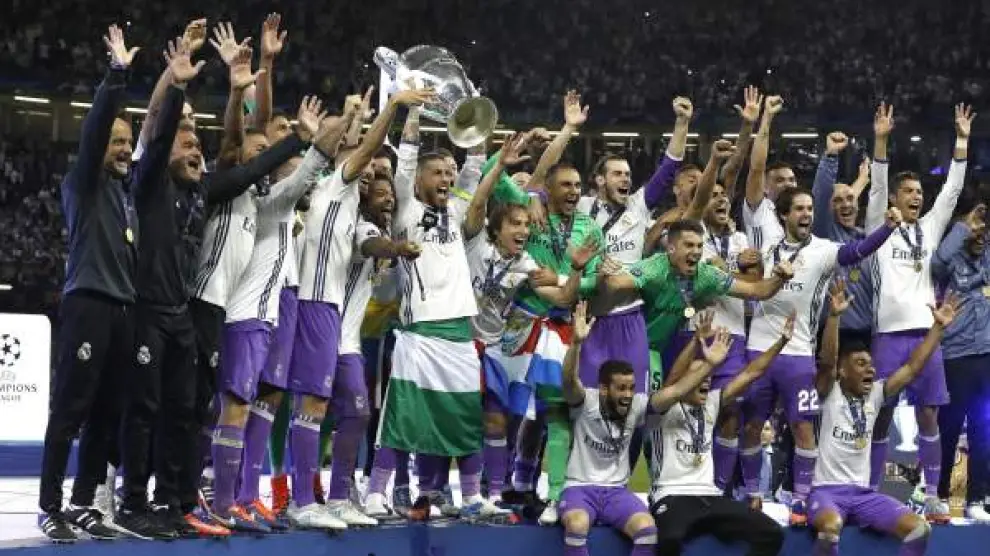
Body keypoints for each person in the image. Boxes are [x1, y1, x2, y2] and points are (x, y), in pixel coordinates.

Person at [284, 86, 430, 530]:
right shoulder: (334, 186)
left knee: (359, 410)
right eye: (363, 167)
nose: (368, 172)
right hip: (315, 304)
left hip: (339, 324)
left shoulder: (353, 208)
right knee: (311, 406)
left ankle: (340, 497)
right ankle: (300, 500)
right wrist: (393, 106)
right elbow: (372, 241)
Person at [37, 24, 140, 542]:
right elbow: (97, 126)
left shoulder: (125, 195)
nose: (123, 149)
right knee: (71, 410)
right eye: (116, 142)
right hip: (88, 304)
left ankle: (83, 502)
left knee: (106, 412)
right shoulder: (83, 184)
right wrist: (116, 75)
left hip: (121, 311)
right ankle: (49, 505)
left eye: (128, 143)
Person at [866, 103, 974, 523]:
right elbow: (877, 185)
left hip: (927, 335)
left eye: (918, 192)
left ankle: (931, 494)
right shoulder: (879, 227)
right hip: (888, 335)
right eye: (909, 192)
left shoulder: (928, 229)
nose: (917, 197)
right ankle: (871, 490)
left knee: (930, 413)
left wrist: (961, 141)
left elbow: (951, 191)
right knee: (880, 414)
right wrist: (880, 140)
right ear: (895, 198)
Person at [559, 302, 735, 556]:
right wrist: (576, 344)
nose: (628, 394)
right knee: (577, 524)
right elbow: (568, 380)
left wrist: (709, 365)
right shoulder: (586, 402)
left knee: (647, 530)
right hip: (579, 488)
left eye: (631, 388)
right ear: (604, 389)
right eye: (621, 388)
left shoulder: (637, 406)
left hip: (616, 492)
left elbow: (676, 390)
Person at [809, 280, 960, 556]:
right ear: (842, 371)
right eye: (860, 364)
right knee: (830, 528)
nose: (870, 369)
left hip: (864, 496)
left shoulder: (876, 394)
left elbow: (912, 367)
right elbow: (828, 361)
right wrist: (833, 317)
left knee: (920, 529)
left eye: (871, 364)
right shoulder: (829, 392)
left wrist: (937, 328)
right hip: (826, 493)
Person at [648, 311, 793, 556]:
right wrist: (698, 344)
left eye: (709, 377)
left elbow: (751, 373)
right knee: (670, 540)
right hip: (671, 495)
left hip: (709, 496)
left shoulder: (712, 403)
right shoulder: (663, 407)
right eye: (700, 377)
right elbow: (673, 383)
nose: (707, 381)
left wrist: (782, 342)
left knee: (771, 533)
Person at [931, 203, 990, 522]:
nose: (980, 237)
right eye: (975, 233)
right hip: (956, 355)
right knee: (949, 427)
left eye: (984, 233)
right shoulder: (951, 259)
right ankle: (938, 494)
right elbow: (937, 263)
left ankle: (977, 498)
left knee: (984, 429)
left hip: (986, 357)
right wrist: (963, 227)